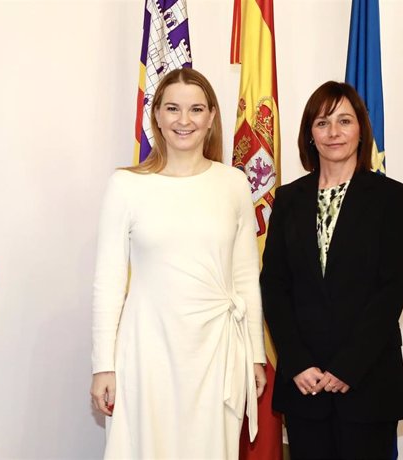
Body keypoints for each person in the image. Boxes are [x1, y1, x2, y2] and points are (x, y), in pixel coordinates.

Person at [89, 68, 267, 459]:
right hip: (147, 350)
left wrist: (255, 354)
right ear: (156, 116)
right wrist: (103, 364)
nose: (184, 120)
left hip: (216, 353)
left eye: (196, 109)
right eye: (173, 108)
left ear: (212, 117)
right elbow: (109, 281)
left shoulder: (234, 183)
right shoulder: (126, 185)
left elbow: (245, 279)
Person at [261, 81, 403, 460]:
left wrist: (347, 367)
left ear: (361, 129)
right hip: (304, 384)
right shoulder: (288, 199)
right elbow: (274, 286)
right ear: (309, 135)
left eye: (344, 121)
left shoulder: (390, 197)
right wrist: (296, 362)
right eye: (322, 122)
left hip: (367, 381)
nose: (333, 132)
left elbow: (392, 289)